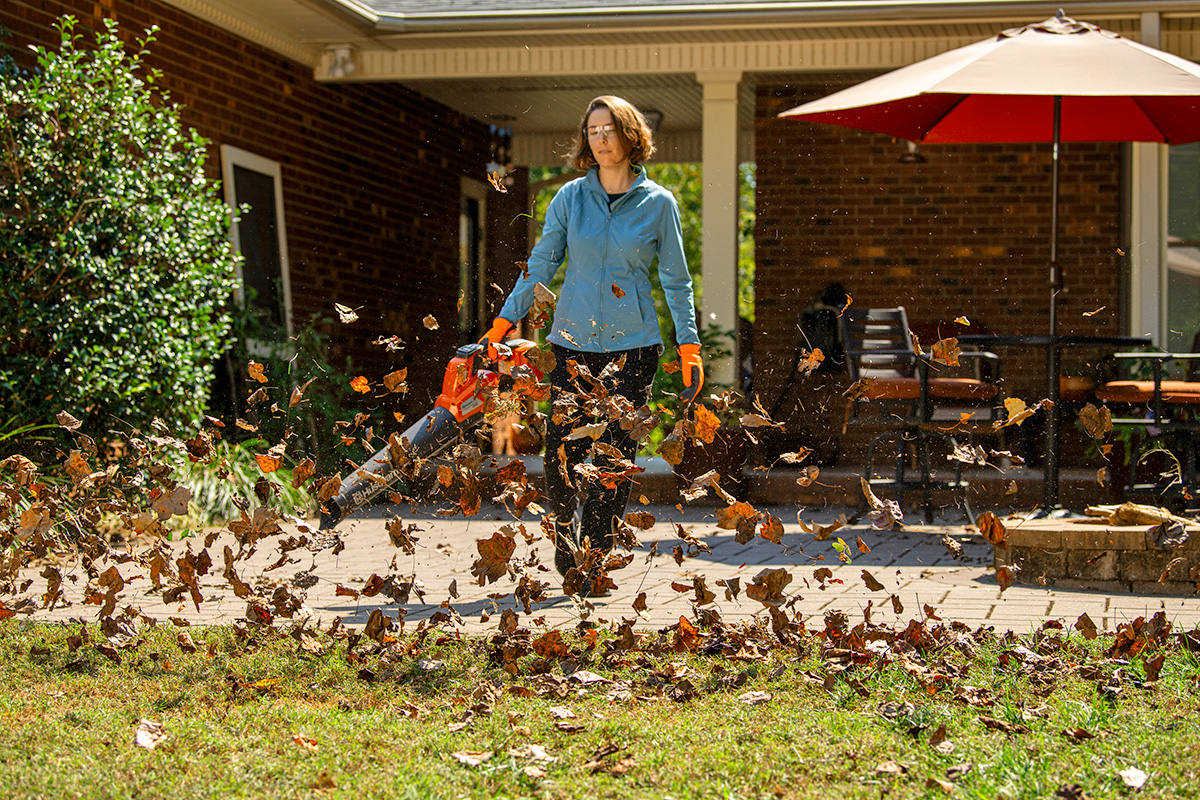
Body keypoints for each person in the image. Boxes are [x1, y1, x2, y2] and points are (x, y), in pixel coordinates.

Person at [481, 95, 703, 590]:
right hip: (573, 344)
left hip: (634, 347)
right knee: (562, 449)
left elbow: (676, 282)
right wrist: (503, 322)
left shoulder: (658, 204)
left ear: (629, 136)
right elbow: (540, 267)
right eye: (593, 130)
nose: (600, 138)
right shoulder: (569, 199)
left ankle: (596, 551)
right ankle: (565, 536)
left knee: (614, 455)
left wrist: (689, 346)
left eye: (609, 129)